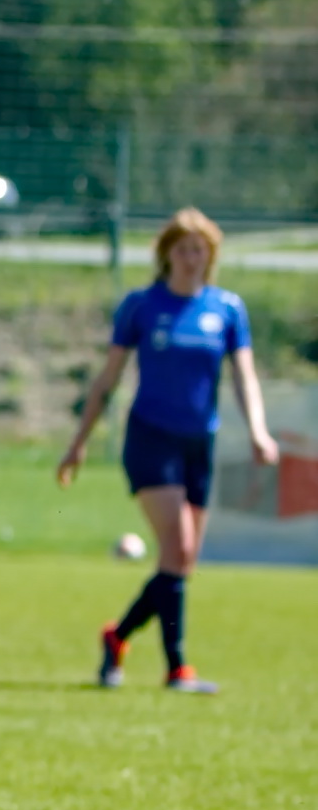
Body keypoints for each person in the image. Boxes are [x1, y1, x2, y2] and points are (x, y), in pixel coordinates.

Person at [58, 207, 279, 692]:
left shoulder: (227, 309)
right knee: (177, 549)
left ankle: (118, 636)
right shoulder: (142, 306)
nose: (190, 258)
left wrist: (259, 432)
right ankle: (177, 668)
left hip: (199, 442)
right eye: (182, 249)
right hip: (151, 438)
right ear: (166, 255)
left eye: (199, 250)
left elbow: (244, 376)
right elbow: (108, 379)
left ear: (210, 256)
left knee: (182, 562)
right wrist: (78, 443)